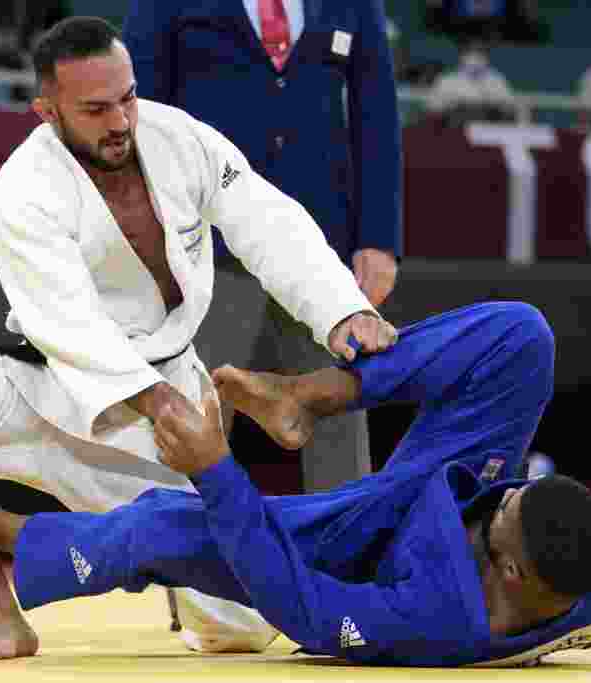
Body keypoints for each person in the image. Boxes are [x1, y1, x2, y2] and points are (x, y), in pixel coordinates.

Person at [0, 16, 397, 661]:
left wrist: (341, 310)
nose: (119, 121)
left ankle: (117, 556)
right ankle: (0, 612)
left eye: (127, 98)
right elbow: (70, 326)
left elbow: (268, 222)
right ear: (46, 111)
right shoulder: (22, 193)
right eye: (95, 109)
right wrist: (167, 410)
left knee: (244, 625)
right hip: (46, 384)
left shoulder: (181, 140)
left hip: (155, 397)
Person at [0, 303, 591, 667]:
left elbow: (299, 604)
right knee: (522, 338)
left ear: (513, 567)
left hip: (362, 555)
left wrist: (216, 470)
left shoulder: (430, 618)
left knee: (164, 528)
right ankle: (310, 391)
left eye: (508, 508)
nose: (507, 491)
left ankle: (21, 540)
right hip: (441, 497)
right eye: (518, 488)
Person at [122, 0, 403, 496]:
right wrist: (148, 239)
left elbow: (374, 112)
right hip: (206, 246)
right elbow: (140, 116)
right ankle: (168, 555)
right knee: (191, 414)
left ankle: (345, 554)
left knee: (339, 409)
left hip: (320, 248)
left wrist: (379, 239)